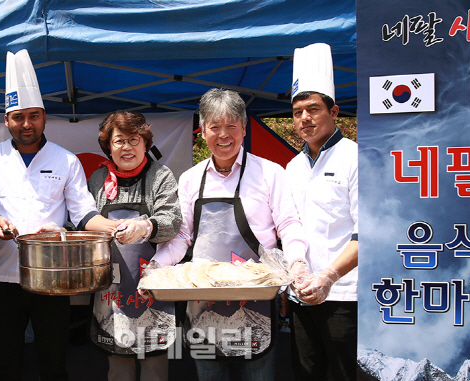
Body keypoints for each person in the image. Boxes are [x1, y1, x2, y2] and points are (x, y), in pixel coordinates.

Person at [0, 49, 121, 381]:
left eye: (33, 116)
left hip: (52, 279)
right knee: (3, 361)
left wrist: (117, 227)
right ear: (6, 120)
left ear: (44, 117)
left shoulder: (66, 160)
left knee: (53, 361)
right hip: (1, 275)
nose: (26, 124)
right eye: (18, 117)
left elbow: (85, 212)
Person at [151, 88, 308, 381]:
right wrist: (157, 268)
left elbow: (288, 224)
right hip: (202, 296)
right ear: (202, 131)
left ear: (244, 129)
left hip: (257, 294)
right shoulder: (190, 179)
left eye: (231, 126)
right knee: (210, 373)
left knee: (258, 372)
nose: (223, 135)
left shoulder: (270, 173)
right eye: (215, 127)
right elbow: (182, 236)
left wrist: (297, 263)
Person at [86, 110, 182, 381]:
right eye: (119, 141)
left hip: (151, 288)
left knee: (153, 365)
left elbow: (172, 220)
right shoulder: (97, 180)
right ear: (108, 146)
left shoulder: (160, 175)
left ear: (145, 144)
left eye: (134, 140)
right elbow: (82, 220)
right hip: (112, 290)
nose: (126, 147)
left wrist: (144, 226)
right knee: (118, 366)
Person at [286, 43, 358, 381]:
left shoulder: (356, 157)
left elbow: (367, 232)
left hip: (345, 293)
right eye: (298, 111)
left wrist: (329, 275)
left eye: (313, 109)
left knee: (346, 373)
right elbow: (290, 226)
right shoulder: (292, 166)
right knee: (307, 371)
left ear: (334, 111)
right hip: (301, 294)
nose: (304, 118)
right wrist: (297, 268)